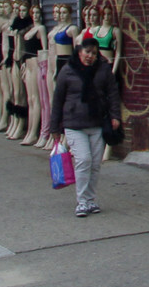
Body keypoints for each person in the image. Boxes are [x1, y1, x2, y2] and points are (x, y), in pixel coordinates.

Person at [48, 30, 118, 219]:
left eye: (94, 53)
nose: (90, 56)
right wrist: (54, 127)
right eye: (87, 52)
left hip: (97, 123)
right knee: (84, 160)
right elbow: (58, 99)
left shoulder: (103, 70)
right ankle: (81, 202)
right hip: (74, 123)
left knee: (95, 164)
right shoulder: (68, 70)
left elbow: (112, 94)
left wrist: (115, 116)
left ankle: (91, 199)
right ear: (79, 52)